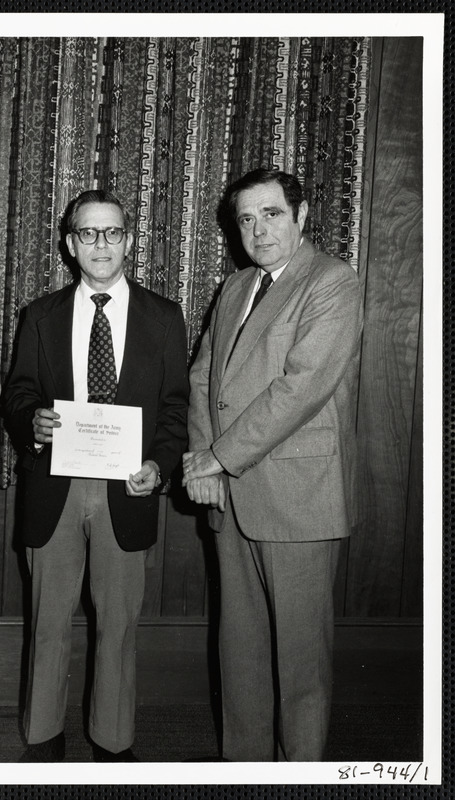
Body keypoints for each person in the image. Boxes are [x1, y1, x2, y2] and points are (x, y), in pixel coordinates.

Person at [1, 189, 189, 762]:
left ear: (128, 240)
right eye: (88, 233)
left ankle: (112, 740)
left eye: (111, 233)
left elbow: (177, 408)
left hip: (127, 492)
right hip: (55, 486)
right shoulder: (41, 315)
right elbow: (18, 394)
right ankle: (41, 738)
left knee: (118, 628)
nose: (100, 244)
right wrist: (32, 419)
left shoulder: (163, 316)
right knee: (48, 622)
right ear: (69, 243)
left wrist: (158, 466)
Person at [184, 168, 362, 761]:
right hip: (231, 497)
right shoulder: (236, 286)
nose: (258, 230)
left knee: (300, 661)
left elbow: (300, 389)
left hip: (298, 498)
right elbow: (204, 377)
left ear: (302, 215)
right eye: (246, 219)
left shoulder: (332, 282)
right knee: (242, 654)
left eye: (272, 214)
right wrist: (206, 467)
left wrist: (215, 458)